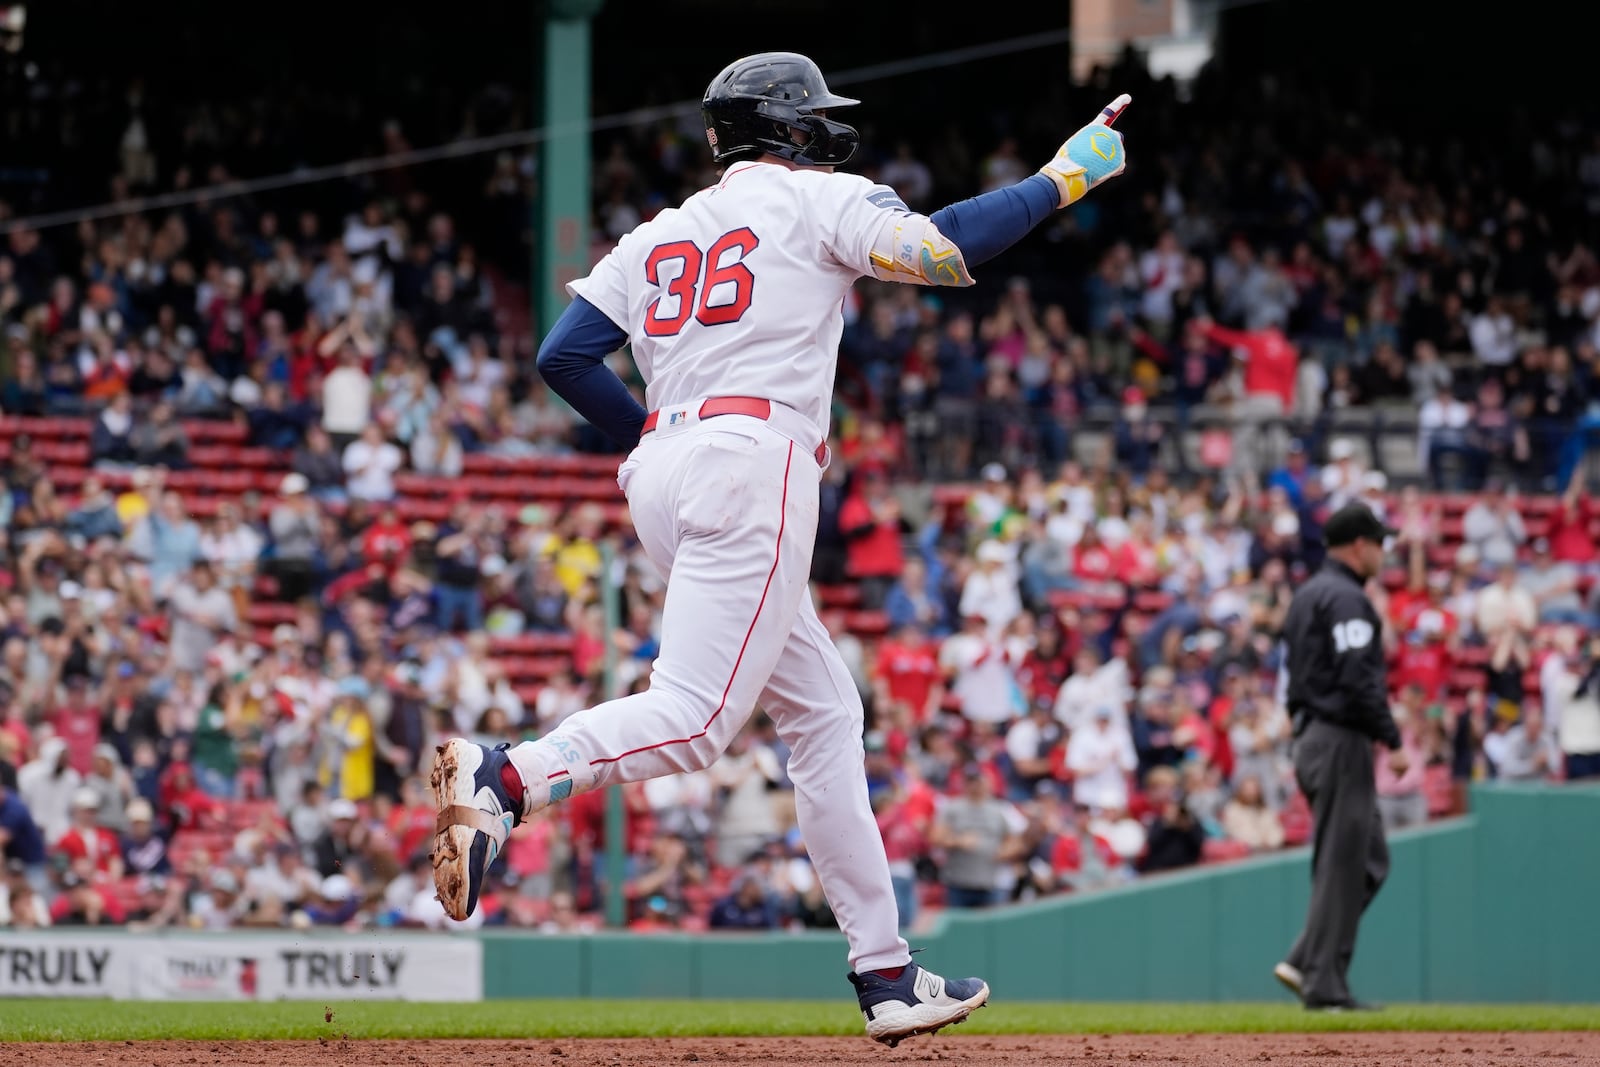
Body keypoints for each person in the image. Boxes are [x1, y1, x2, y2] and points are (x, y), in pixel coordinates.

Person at [429, 51, 1132, 1046]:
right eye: (817, 119)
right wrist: (1066, 176)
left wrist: (651, 434)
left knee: (824, 715)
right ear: (791, 129)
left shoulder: (662, 230)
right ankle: (504, 779)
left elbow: (562, 356)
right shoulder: (814, 202)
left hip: (670, 466)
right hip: (751, 458)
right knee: (699, 718)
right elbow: (939, 250)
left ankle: (885, 972)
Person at [1274, 502, 1408, 1012]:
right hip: (1338, 739)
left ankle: (1306, 956)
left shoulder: (1308, 593)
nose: (1382, 551)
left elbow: (1295, 675)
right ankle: (1324, 986)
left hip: (1313, 734)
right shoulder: (1348, 599)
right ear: (1359, 545)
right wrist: (1392, 739)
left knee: (1369, 859)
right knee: (1342, 862)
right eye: (1379, 542)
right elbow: (1358, 678)